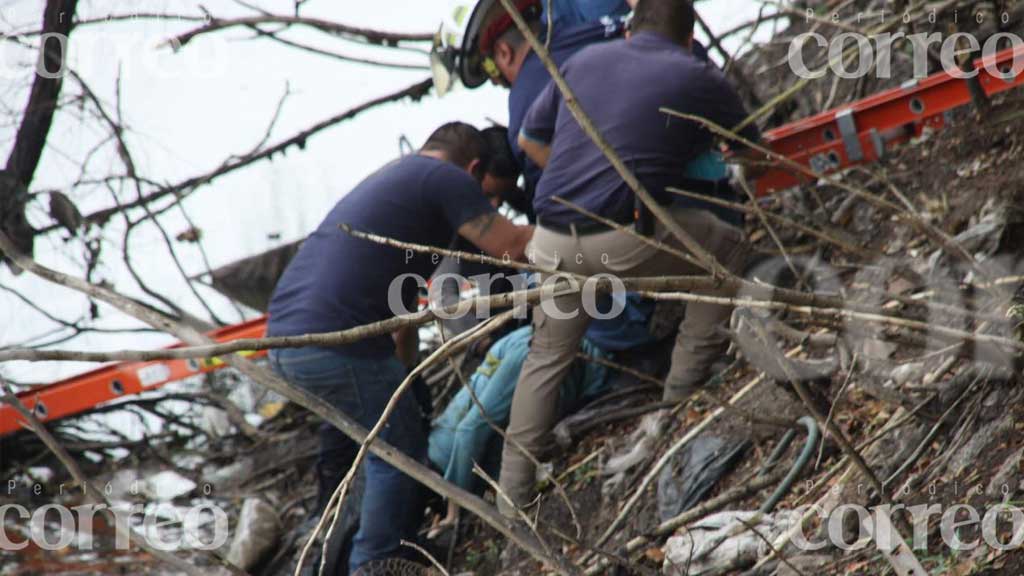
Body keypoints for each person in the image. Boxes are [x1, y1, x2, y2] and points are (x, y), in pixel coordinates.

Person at [497, 0, 762, 515]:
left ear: (627, 32)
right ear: (688, 38)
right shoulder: (694, 72)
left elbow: (529, 140)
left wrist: (588, 174)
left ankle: (511, 498)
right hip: (622, 236)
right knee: (729, 247)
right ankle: (680, 397)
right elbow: (751, 152)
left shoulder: (584, 60)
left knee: (547, 356)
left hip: (551, 237)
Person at [266, 122, 533, 573]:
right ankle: (375, 563)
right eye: (488, 196)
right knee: (398, 449)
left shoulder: (402, 183)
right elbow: (509, 246)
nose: (489, 206)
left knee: (391, 426)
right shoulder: (445, 178)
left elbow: (403, 319)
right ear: (472, 168)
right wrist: (573, 234)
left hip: (288, 339)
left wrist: (405, 384)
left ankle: (352, 552)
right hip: (331, 340)